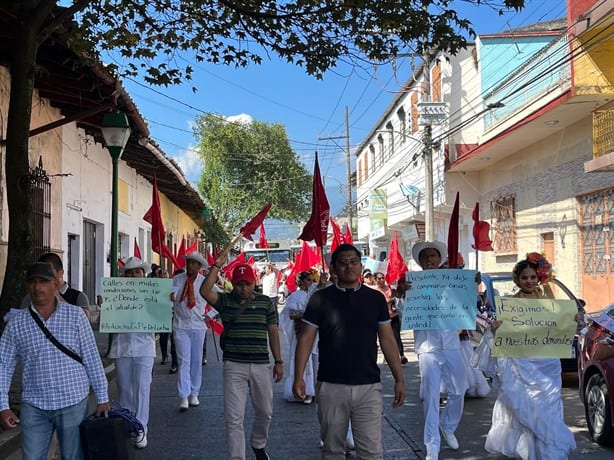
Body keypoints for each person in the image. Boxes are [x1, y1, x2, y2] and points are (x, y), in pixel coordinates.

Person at [293, 243, 405, 460]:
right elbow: (306, 339)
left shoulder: (375, 299)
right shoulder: (320, 299)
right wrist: (298, 377)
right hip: (331, 386)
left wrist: (399, 378)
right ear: (333, 268)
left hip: (368, 386)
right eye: (343, 263)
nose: (349, 267)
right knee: (333, 450)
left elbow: (388, 339)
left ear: (361, 265)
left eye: (354, 262)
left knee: (372, 452)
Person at [0, 262, 109, 459]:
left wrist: (102, 398)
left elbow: (92, 357)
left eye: (43, 281)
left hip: (73, 402)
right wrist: (3, 405)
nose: (37, 287)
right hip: (34, 405)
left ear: (55, 285)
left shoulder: (75, 316)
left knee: (73, 457)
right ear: (27, 286)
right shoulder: (16, 323)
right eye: (32, 282)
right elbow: (3, 365)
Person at [485, 253, 578, 459]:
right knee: (523, 405)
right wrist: (494, 329)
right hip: (520, 363)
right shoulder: (508, 305)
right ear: (517, 280)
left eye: (533, 277)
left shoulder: (550, 305)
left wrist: (574, 320)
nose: (529, 281)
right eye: (525, 277)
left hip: (547, 363)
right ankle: (529, 452)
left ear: (539, 279)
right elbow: (499, 336)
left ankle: (549, 451)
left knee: (549, 402)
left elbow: (561, 329)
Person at [200, 255, 283, 460]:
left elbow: (273, 331)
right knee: (233, 418)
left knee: (265, 412)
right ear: (233, 284)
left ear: (254, 282)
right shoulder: (225, 301)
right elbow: (204, 291)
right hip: (234, 365)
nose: (243, 288)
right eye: (239, 284)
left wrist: (278, 361)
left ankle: (258, 443)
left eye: (247, 284)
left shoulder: (265, 303)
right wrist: (217, 265)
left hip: (260, 365)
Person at [410, 241, 467, 460]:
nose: (430, 260)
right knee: (432, 395)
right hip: (427, 345)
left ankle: (448, 424)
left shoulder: (452, 282)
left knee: (459, 389)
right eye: (425, 257)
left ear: (439, 258)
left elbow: (466, 306)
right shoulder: (412, 284)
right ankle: (431, 444)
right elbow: (403, 310)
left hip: (451, 341)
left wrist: (472, 288)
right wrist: (402, 295)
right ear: (421, 262)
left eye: (433, 256)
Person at [108, 257, 155, 449]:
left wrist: (166, 302)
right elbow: (108, 321)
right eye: (130, 273)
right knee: (124, 387)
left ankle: (142, 428)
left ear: (143, 274)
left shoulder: (153, 293)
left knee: (143, 388)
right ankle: (128, 422)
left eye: (137, 272)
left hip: (145, 346)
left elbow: (163, 317)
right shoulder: (117, 293)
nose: (134, 275)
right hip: (123, 347)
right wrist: (106, 305)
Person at [171, 252, 209, 411]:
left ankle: (195, 393)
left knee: (196, 360)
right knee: (183, 360)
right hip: (180, 325)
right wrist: (171, 296)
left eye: (193, 263)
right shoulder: (178, 279)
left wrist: (211, 315)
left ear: (199, 266)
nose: (190, 265)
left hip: (198, 325)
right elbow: (170, 294)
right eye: (188, 263)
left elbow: (218, 297)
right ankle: (184, 396)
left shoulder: (205, 282)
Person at [280, 271, 316, 403]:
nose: (310, 283)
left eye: (312, 280)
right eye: (307, 280)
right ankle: (301, 389)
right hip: (301, 332)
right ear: (301, 282)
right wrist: (307, 314)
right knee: (301, 360)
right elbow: (291, 314)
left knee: (313, 361)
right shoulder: (295, 296)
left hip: (315, 333)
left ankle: (312, 389)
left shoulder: (314, 295)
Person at [21, 252, 90, 317]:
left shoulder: (78, 297)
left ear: (60, 273)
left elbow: (85, 319)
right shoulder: (31, 296)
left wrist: (55, 294)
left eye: (48, 272)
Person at [374, 272, 408, 364]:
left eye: (382, 278)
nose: (381, 280)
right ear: (375, 280)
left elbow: (399, 298)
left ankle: (402, 355)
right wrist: (388, 300)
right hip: (382, 318)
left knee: (397, 336)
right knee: (384, 338)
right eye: (379, 278)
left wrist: (395, 298)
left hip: (394, 316)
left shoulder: (391, 289)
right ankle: (387, 356)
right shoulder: (375, 292)